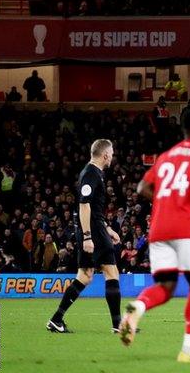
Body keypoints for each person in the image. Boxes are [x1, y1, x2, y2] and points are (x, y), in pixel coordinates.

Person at [117, 109, 190, 363]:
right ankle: (188, 350)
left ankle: (138, 307)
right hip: (189, 227)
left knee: (165, 287)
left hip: (159, 229)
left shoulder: (166, 157)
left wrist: (168, 202)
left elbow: (142, 187)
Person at [47, 139, 122, 333]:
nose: (112, 156)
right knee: (111, 272)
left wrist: (108, 228)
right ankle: (118, 325)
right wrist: (88, 236)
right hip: (92, 231)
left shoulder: (95, 173)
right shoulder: (91, 173)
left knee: (85, 275)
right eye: (111, 153)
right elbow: (84, 204)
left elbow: (94, 208)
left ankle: (56, 319)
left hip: (95, 228)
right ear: (105, 155)